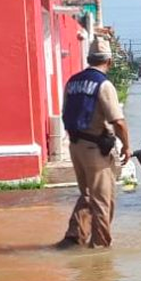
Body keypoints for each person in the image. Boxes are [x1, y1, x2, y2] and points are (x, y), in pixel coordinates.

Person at [56, 38, 131, 250]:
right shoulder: (103, 85)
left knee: (87, 194)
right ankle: (100, 249)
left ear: (88, 59)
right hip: (96, 150)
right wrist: (127, 146)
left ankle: (74, 237)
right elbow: (118, 122)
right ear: (109, 61)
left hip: (75, 146)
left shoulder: (72, 82)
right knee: (103, 201)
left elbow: (66, 112)